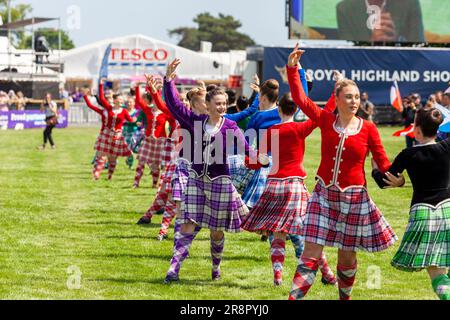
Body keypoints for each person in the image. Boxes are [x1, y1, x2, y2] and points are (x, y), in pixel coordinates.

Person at [286, 45, 398, 300]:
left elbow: (383, 162)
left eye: (357, 97)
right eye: (348, 97)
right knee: (310, 253)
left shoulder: (368, 128)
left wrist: (399, 177)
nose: (354, 101)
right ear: (336, 100)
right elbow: (301, 99)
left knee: (347, 257)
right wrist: (292, 68)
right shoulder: (326, 120)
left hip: (354, 200)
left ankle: (344, 298)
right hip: (324, 196)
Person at [162, 58, 265, 284]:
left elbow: (247, 149)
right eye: (217, 103)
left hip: (220, 183)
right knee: (187, 224)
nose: (221, 107)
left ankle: (216, 268)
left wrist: (260, 158)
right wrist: (168, 79)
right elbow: (173, 105)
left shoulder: (231, 126)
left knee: (217, 231)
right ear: (207, 105)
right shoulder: (195, 121)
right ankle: (173, 270)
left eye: (224, 103)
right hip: (196, 180)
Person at [372, 107, 450, 300]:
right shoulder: (447, 147)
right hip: (448, 209)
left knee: (436, 270)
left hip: (422, 213)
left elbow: (384, 181)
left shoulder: (408, 154)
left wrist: (375, 169)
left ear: (416, 131)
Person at [92, 80, 135, 180]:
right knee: (102, 155)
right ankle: (96, 174)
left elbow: (130, 120)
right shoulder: (109, 108)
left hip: (117, 136)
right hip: (107, 133)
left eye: (122, 100)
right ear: (114, 100)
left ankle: (110, 176)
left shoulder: (124, 111)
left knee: (112, 158)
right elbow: (102, 98)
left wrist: (137, 121)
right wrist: (101, 85)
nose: (121, 101)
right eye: (119, 100)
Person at [336, 0, 425, 43]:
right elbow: (347, 55)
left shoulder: (409, 4)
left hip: (400, 70)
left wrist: (395, 44)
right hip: (363, 71)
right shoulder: (345, 9)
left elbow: (420, 50)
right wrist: (372, 44)